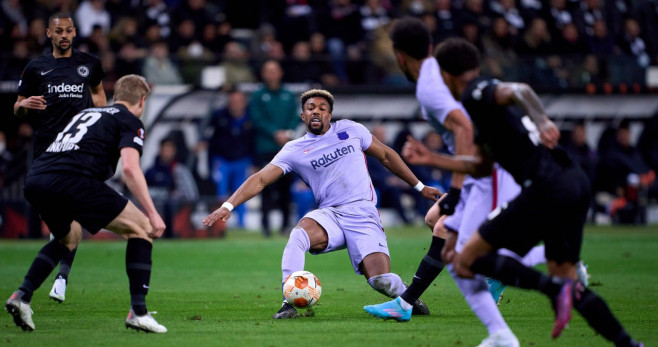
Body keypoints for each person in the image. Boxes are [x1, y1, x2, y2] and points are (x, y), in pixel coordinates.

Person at [430, 38, 642, 346]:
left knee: (464, 260)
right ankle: (630, 344)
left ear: (445, 75)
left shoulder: (476, 93)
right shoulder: (478, 112)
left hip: (545, 188)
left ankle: (555, 291)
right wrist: (433, 159)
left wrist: (543, 120)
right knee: (566, 276)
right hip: (573, 181)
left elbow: (520, 90)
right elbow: (480, 165)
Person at [364, 17, 545, 347]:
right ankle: (495, 318)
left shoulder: (430, 88)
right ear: (430, 49)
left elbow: (464, 128)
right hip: (481, 169)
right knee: (436, 222)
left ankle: (546, 263)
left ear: (399, 56)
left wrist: (457, 188)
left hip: (489, 172)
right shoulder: (436, 74)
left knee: (448, 237)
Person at [203, 89, 441, 319]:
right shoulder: (294, 150)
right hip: (331, 215)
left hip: (363, 213)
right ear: (303, 116)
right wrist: (228, 206)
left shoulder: (351, 130)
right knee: (298, 235)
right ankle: (289, 301)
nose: (316, 112)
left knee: (380, 280)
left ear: (329, 114)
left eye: (322, 108)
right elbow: (261, 178)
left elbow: (387, 155)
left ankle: (408, 297)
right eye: (310, 108)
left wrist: (420, 187)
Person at [5, 74, 168, 333]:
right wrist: (153, 213)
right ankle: (138, 312)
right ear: (142, 100)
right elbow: (129, 168)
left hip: (37, 179)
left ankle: (22, 296)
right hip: (73, 180)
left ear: (116, 96)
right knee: (142, 228)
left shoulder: (89, 114)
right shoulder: (129, 120)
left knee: (69, 238)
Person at [13, 12, 106, 304]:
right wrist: (24, 104)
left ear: (75, 32)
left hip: (78, 149)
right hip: (45, 150)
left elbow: (99, 94)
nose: (64, 35)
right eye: (58, 31)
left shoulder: (89, 64)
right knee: (56, 220)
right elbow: (17, 107)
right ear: (49, 35)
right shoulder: (36, 68)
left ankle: (61, 277)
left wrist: (99, 120)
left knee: (71, 214)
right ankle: (55, 273)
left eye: (68, 30)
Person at [249, 60, 299, 237]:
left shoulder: (288, 94)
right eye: (268, 71)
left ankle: (286, 225)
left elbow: (296, 116)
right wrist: (274, 133)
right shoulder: (257, 96)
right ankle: (266, 226)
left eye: (274, 71)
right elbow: (256, 118)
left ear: (280, 73)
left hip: (286, 148)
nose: (271, 75)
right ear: (263, 74)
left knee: (286, 188)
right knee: (265, 187)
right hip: (266, 147)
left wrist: (287, 133)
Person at [199, 90, 254, 228]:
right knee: (221, 191)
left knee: (243, 192)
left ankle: (241, 224)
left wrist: (255, 162)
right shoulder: (219, 116)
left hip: (242, 160)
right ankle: (219, 225)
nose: (235, 105)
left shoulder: (250, 117)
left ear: (244, 103)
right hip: (222, 160)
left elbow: (254, 142)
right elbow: (209, 134)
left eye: (238, 102)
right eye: (233, 102)